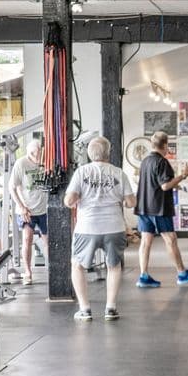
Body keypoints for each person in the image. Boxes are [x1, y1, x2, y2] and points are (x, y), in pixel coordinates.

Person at [62, 136, 132, 321]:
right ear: (109, 153)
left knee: (77, 265)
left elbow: (69, 201)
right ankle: (110, 308)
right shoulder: (119, 173)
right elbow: (131, 202)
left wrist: (78, 196)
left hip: (87, 227)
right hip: (114, 226)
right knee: (114, 266)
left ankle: (85, 309)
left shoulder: (81, 172)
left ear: (89, 153)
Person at [136, 131, 188, 287]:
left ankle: (143, 276)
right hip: (159, 208)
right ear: (165, 145)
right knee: (170, 240)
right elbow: (165, 185)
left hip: (144, 207)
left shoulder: (145, 161)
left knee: (145, 242)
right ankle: (182, 273)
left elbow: (155, 183)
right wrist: (183, 175)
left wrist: (174, 184)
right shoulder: (162, 162)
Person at [4, 134, 50, 285]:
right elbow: (12, 188)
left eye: (40, 155)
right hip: (27, 210)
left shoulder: (45, 160)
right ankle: (28, 273)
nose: (39, 159)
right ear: (30, 154)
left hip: (43, 209)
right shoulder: (21, 163)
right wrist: (22, 207)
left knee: (48, 241)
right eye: (36, 156)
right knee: (27, 240)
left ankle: (53, 270)